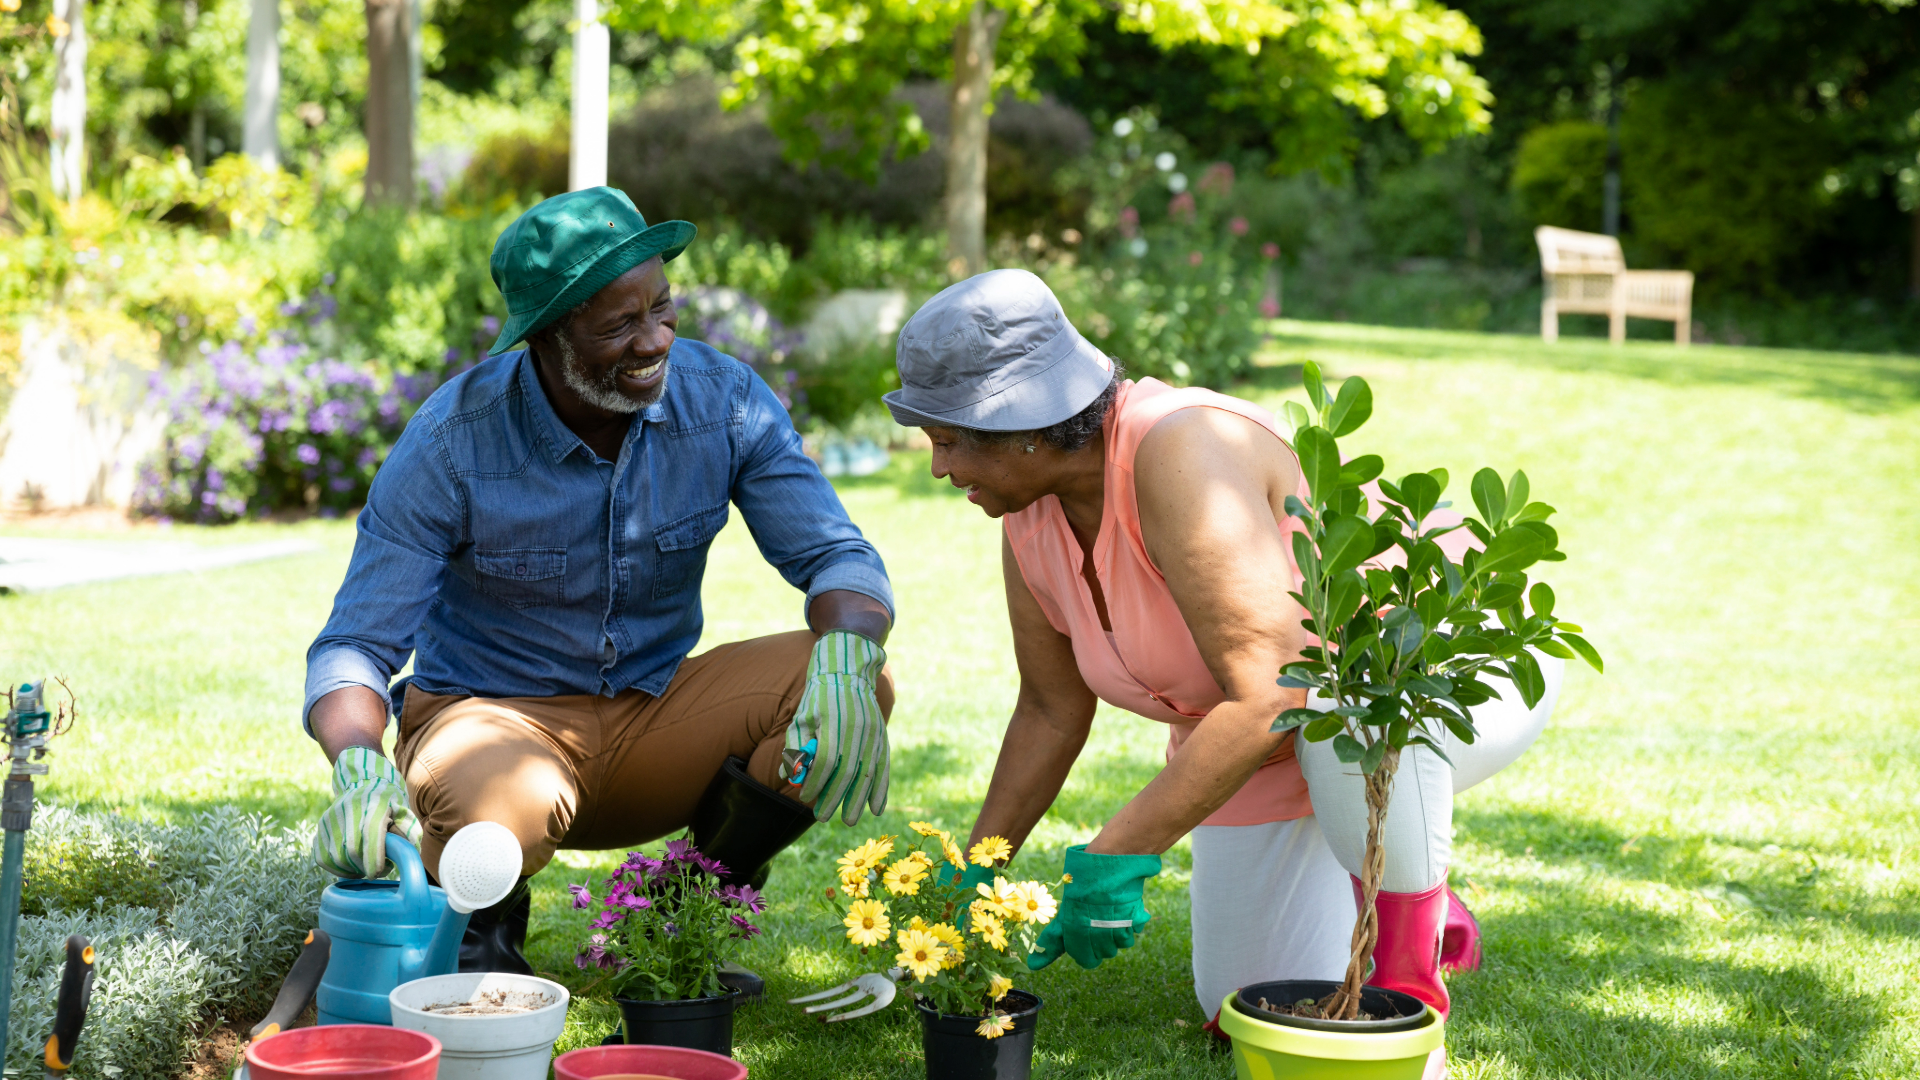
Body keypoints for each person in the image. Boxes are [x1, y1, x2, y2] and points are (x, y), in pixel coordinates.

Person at [883, 269, 1562, 1046]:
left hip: (1438, 669)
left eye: (948, 441)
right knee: (1242, 1002)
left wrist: (1116, 852)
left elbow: (1279, 691)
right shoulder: (1028, 515)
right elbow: (1049, 706)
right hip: (1268, 744)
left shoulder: (1180, 448)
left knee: (1338, 705)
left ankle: (1409, 962)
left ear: (1025, 427)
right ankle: (1399, 887)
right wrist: (977, 873)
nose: (940, 468)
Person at [302, 187, 896, 987]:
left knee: (855, 671)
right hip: (494, 728)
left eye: (663, 307)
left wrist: (846, 654)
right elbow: (356, 646)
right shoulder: (452, 441)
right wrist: (354, 763)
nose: (655, 339)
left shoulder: (724, 403)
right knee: (496, 802)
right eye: (620, 324)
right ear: (547, 336)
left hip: (656, 713)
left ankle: (680, 926)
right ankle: (481, 928)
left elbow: (837, 556)